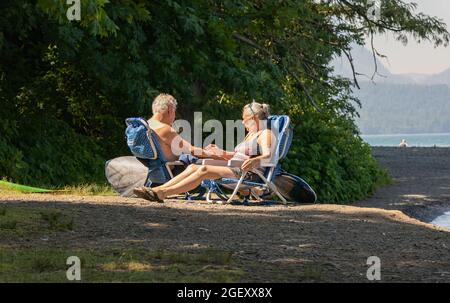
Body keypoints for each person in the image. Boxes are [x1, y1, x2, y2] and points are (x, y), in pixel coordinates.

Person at [133, 101, 275, 202]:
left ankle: (162, 193)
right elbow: (239, 155)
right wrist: (221, 152)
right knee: (193, 166)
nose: (242, 123)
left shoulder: (265, 133)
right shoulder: (250, 135)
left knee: (204, 169)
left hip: (249, 174)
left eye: (245, 120)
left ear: (254, 118)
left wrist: (254, 161)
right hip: (236, 167)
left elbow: (268, 156)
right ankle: (157, 190)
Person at [146, 93, 214, 161]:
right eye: (174, 112)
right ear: (170, 110)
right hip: (174, 169)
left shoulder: (144, 126)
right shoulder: (165, 129)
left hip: (150, 167)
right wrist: (212, 153)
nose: (174, 117)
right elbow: (191, 150)